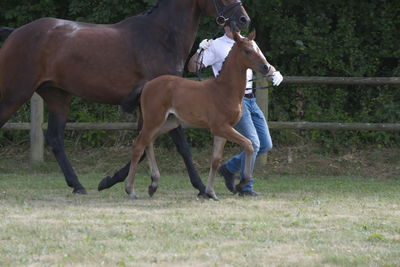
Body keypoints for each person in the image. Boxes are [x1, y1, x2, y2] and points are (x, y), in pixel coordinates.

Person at [188, 26, 283, 197]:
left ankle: (229, 168)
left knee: (266, 144)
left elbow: (263, 63)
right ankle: (246, 188)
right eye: (231, 23)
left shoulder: (249, 43)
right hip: (231, 101)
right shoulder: (216, 45)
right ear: (225, 25)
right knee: (253, 143)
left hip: (251, 99)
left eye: (239, 23)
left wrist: (275, 73)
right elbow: (193, 68)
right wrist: (200, 50)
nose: (235, 27)